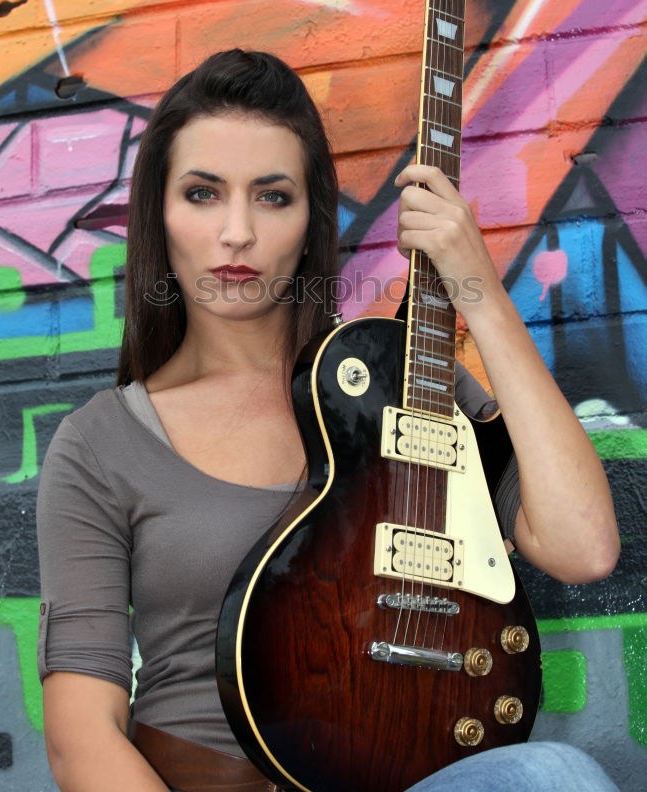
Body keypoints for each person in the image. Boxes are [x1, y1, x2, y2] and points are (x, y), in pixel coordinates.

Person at [37, 49, 620, 792]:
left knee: (551, 778)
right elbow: (80, 738)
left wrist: (476, 288)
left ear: (312, 218)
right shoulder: (102, 443)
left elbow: (584, 547)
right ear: (159, 212)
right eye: (203, 193)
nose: (238, 233)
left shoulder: (406, 385)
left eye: (273, 197)